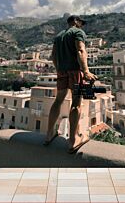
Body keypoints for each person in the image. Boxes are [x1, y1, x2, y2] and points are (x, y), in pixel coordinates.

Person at [43, 15, 97, 153]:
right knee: (76, 103)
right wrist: (86, 71)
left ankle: (49, 134)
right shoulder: (78, 32)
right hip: (75, 72)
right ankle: (73, 140)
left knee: (58, 100)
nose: (82, 26)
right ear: (75, 22)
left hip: (61, 72)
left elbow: (53, 55)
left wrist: (59, 69)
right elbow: (80, 50)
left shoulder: (58, 36)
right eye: (81, 23)